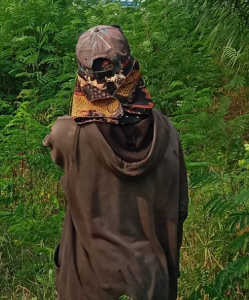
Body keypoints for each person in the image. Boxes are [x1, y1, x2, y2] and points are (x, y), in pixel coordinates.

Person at [43, 25, 189, 300]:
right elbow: (181, 210)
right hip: (153, 279)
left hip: (88, 282)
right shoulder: (167, 130)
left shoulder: (66, 134)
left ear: (84, 77)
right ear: (131, 67)